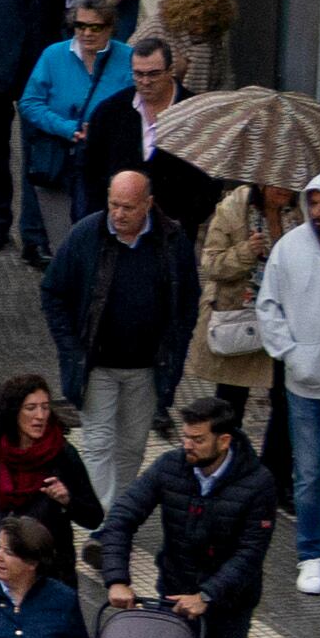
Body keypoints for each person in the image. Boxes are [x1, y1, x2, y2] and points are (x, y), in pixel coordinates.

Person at [94, 393, 283, 638]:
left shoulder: (258, 483)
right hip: (176, 591)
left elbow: (250, 554)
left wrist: (208, 595)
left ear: (223, 441)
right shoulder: (171, 467)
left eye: (197, 439)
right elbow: (121, 519)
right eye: (185, 437)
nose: (188, 446)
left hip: (229, 603)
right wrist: (117, 578)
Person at [48, 167, 202, 497]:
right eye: (114, 204)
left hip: (147, 368)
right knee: (98, 444)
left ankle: (116, 523)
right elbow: (53, 291)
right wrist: (70, 347)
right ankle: (100, 531)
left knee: (131, 448)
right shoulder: (86, 234)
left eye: (128, 207)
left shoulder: (173, 241)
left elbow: (189, 302)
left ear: (148, 204)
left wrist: (178, 346)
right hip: (97, 365)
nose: (118, 214)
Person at [259, 167, 320, 594]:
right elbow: (268, 306)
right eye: (313, 202)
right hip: (305, 388)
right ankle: (312, 554)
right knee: (308, 477)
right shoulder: (289, 249)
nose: (318, 211)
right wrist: (291, 355)